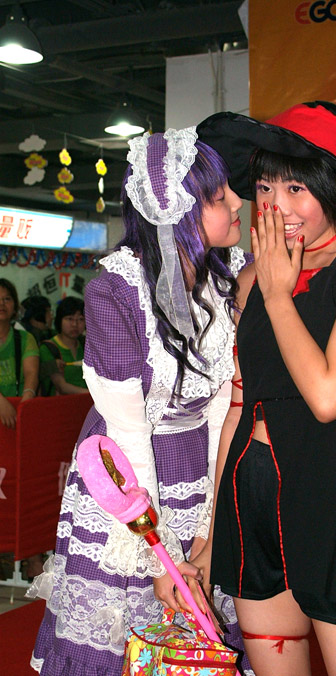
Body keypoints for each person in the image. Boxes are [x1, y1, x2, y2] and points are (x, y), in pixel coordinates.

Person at [193, 102, 336, 676]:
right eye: (265, 187)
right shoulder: (252, 275)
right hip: (252, 487)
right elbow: (239, 407)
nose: (277, 206)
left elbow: (327, 397)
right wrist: (213, 530)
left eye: (297, 187)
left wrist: (277, 294)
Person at [29, 128, 253, 675]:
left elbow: (224, 408)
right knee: (124, 636)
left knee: (202, 639)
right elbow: (129, 430)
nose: (236, 204)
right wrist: (161, 556)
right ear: (177, 210)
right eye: (218, 196)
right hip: (128, 476)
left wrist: (208, 530)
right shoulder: (115, 291)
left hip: (201, 466)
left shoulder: (231, 277)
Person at [0, 278, 39, 429]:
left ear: (15, 305)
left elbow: (31, 373)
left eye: (7, 299)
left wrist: (26, 401)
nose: (2, 304)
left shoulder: (25, 338)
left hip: (19, 410)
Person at [39, 296, 88, 396]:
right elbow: (62, 387)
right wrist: (93, 394)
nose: (75, 324)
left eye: (80, 319)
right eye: (69, 319)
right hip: (61, 403)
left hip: (90, 402)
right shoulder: (48, 348)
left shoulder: (87, 345)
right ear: (59, 320)